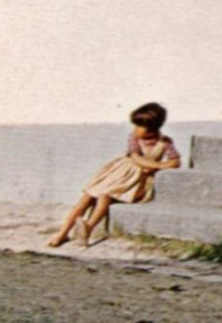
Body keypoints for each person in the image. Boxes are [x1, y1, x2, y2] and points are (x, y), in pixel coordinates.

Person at [47, 103, 180, 248]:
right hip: (119, 174)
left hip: (135, 181)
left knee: (105, 196)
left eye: (138, 127)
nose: (135, 129)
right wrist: (157, 165)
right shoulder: (134, 138)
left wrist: (154, 168)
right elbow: (135, 158)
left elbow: (175, 161)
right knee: (87, 197)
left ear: (151, 130)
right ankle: (63, 232)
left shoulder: (164, 142)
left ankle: (88, 229)